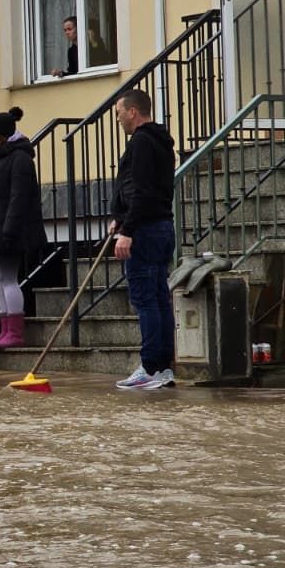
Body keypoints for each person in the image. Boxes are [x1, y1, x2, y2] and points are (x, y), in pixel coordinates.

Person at [109, 88, 177, 390]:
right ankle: (162, 367)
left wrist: (127, 230)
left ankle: (150, 366)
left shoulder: (140, 143)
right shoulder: (160, 142)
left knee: (146, 298)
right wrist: (120, 216)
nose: (118, 119)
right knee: (159, 297)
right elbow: (140, 189)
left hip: (145, 230)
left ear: (133, 111)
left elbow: (139, 190)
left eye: (119, 113)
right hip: (162, 225)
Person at [0, 107, 45, 350]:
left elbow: (19, 198)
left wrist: (9, 230)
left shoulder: (20, 159)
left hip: (10, 231)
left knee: (9, 279)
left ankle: (15, 331)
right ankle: (4, 328)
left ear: (2, 134)